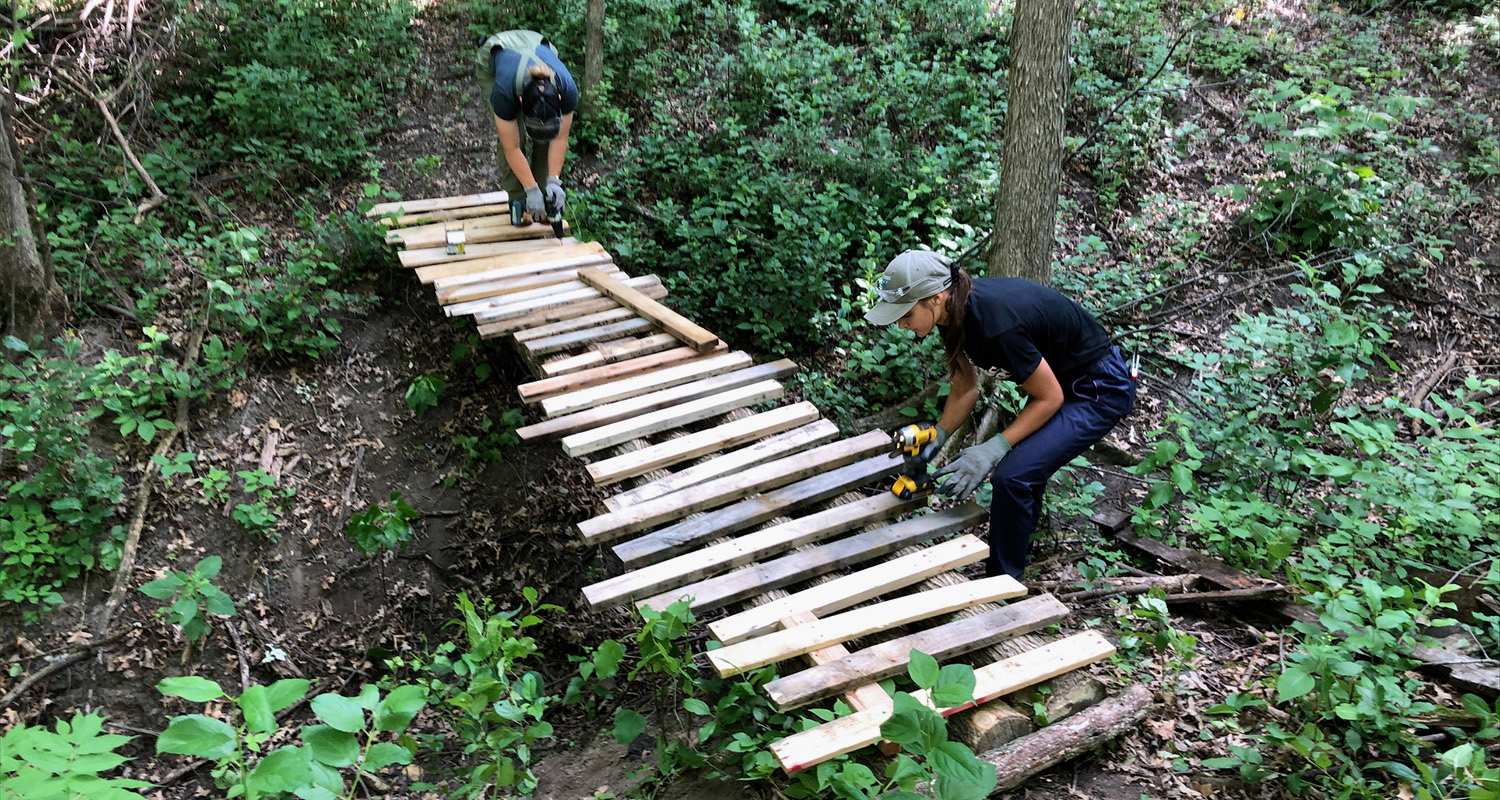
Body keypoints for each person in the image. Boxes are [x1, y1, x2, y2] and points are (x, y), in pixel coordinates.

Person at [864, 250, 1135, 581]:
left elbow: (1050, 398)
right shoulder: (952, 315)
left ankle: (1002, 584)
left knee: (1013, 475)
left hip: (1095, 390)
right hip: (1059, 382)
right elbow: (965, 388)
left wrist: (992, 448)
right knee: (1024, 474)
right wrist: (939, 436)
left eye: (905, 315)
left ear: (934, 298)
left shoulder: (995, 324)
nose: (902, 324)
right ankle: (1016, 559)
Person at [474, 30, 579, 226]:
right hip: (496, 52)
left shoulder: (567, 89)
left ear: (558, 99)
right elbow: (511, 148)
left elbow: (560, 139)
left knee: (548, 136)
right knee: (515, 138)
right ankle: (518, 201)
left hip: (537, 43)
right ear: (521, 101)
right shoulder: (504, 92)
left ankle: (545, 202)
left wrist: (554, 182)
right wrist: (529, 190)